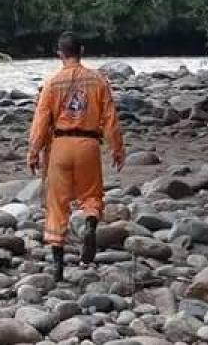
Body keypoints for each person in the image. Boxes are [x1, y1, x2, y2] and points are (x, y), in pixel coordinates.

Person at [27, 31, 125, 281]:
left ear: (60, 54)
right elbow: (110, 118)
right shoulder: (98, 80)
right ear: (81, 51)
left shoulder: (52, 83)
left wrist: (34, 151)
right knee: (91, 195)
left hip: (60, 145)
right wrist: (117, 148)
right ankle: (90, 221)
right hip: (88, 145)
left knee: (57, 204)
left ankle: (58, 266)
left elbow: (41, 121)